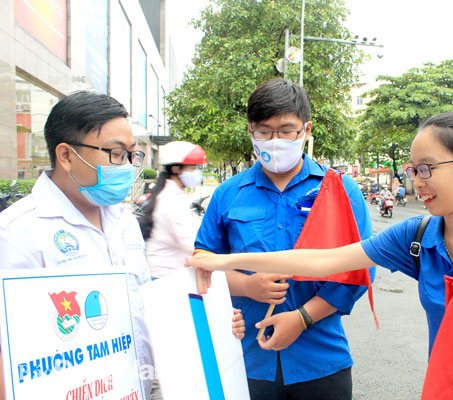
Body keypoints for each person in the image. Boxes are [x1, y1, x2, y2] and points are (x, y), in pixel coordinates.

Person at [189, 111, 453, 399]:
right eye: (412, 169)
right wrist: (220, 262)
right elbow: (322, 260)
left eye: (426, 169)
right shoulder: (418, 235)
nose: (416, 182)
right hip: (446, 390)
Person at [0, 92, 244, 399]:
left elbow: (142, 308)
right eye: (116, 154)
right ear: (66, 155)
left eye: (133, 155)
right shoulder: (17, 233)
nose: (128, 166)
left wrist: (214, 318)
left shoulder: (124, 221)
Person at [193, 78, 374, 400]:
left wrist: (302, 318)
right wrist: (246, 285)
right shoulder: (227, 194)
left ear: (305, 130)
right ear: (250, 130)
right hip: (244, 358)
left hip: (320, 359)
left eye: (287, 130)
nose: (275, 140)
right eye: (264, 131)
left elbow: (359, 271)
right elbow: (202, 266)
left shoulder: (341, 191)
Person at [140, 141, 206, 279]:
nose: (197, 172)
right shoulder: (171, 198)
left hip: (168, 274)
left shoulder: (169, 192)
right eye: (193, 168)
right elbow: (189, 241)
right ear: (176, 169)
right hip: (167, 278)